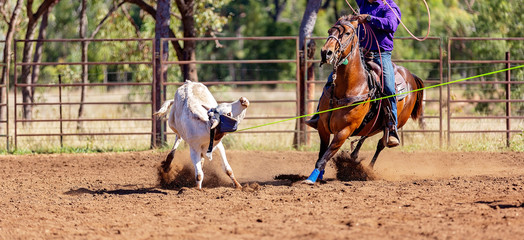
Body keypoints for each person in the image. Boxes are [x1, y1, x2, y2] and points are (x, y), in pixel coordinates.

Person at [305, 0, 401, 148]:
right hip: (359, 52)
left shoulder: (390, 7)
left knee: (388, 87)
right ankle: (319, 116)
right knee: (332, 79)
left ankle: (391, 126)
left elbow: (391, 24)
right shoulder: (363, 2)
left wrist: (369, 18)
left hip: (381, 55)